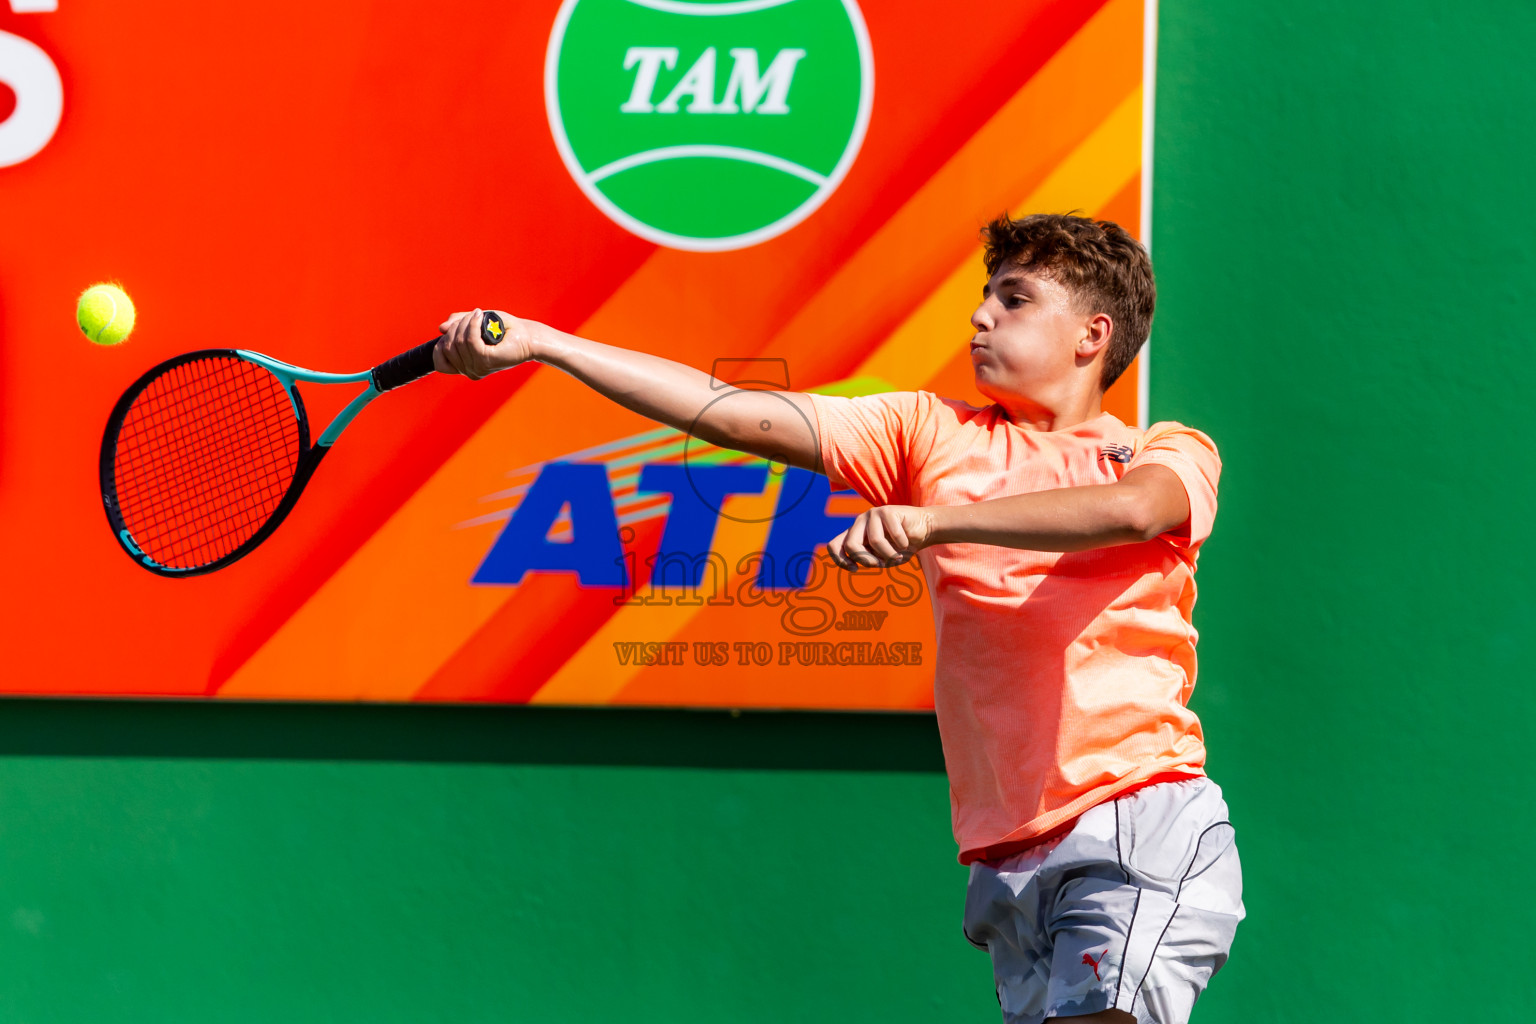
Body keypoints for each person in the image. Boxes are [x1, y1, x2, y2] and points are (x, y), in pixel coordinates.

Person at [434, 212, 1243, 1024]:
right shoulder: (927, 434)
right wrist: (547, 344)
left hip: (1137, 815)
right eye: (986, 295)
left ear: (1091, 336)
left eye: (1015, 298)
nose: (981, 314)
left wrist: (935, 524)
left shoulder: (1165, 451)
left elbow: (1135, 513)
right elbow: (727, 410)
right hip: (1007, 853)